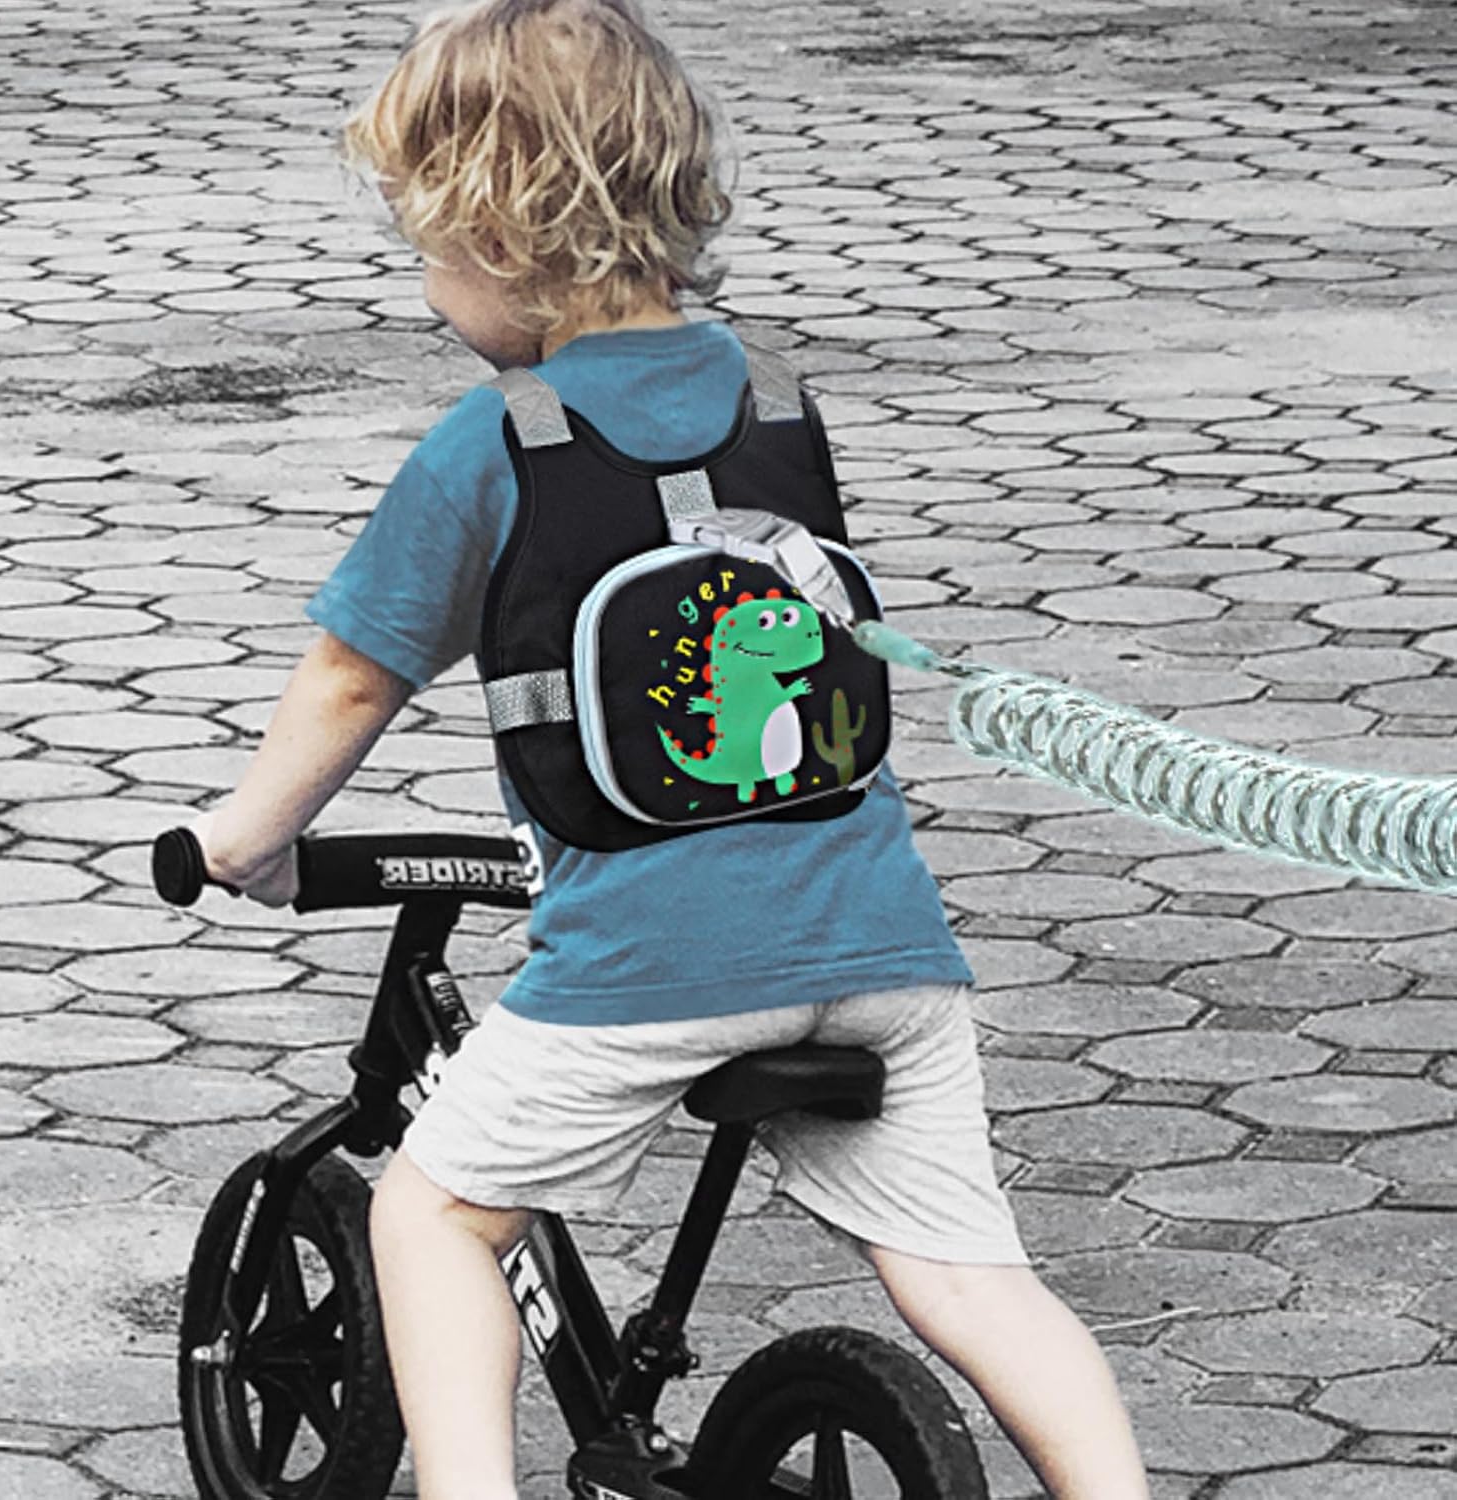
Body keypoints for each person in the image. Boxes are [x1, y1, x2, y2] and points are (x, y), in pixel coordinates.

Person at [191, 1, 1151, 1495]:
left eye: (424, 251)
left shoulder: (492, 442)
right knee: (974, 1277)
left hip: (652, 970)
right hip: (886, 948)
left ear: (497, 231)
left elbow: (352, 676)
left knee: (433, 1216)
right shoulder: (777, 403)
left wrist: (246, 841)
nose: (428, 289)